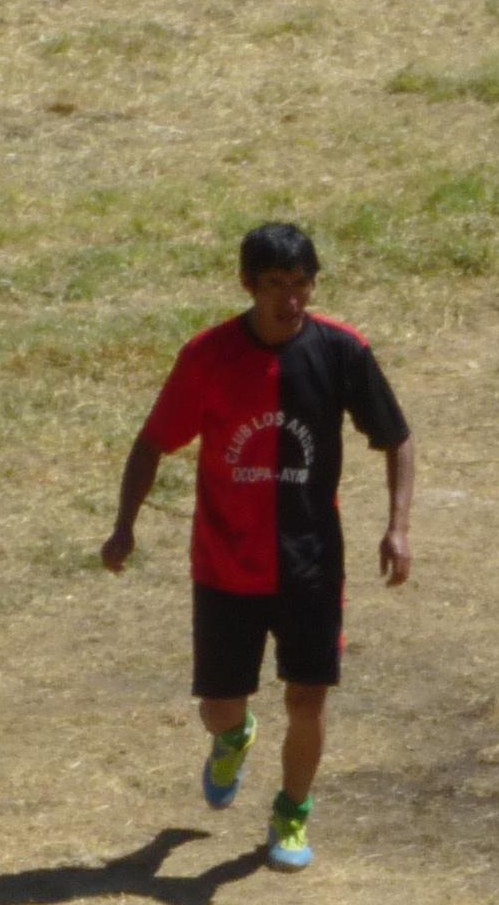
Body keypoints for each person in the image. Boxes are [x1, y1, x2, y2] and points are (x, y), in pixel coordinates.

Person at [101, 223, 412, 871]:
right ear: (248, 284)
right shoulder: (208, 356)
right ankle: (234, 736)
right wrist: (125, 524)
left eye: (302, 286)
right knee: (219, 708)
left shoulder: (341, 351)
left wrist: (398, 526)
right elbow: (152, 441)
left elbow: (396, 438)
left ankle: (292, 812)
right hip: (225, 564)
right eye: (276, 286)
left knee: (308, 697)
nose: (291, 301)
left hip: (310, 565)